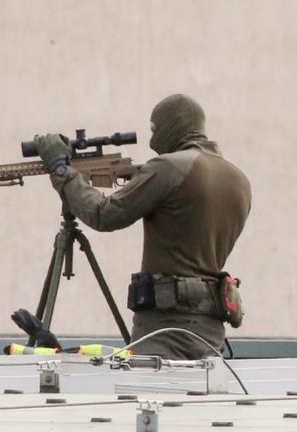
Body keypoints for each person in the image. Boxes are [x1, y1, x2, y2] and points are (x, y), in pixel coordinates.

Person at [33, 94, 252, 360]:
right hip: (209, 328)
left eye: (154, 129)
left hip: (165, 329)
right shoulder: (239, 180)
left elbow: (104, 214)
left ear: (172, 125)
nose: (151, 140)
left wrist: (62, 171)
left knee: (147, 394)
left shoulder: (169, 168)